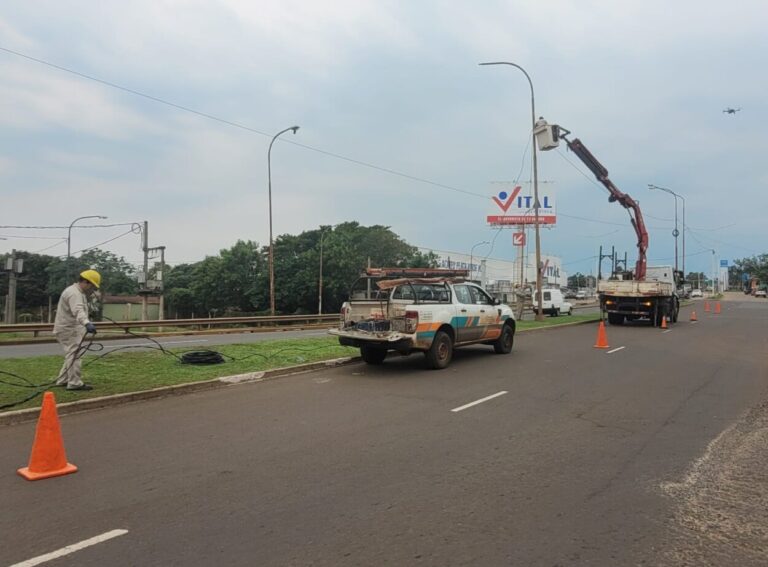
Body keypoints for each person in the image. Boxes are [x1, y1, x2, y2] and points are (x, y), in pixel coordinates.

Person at [53, 269, 101, 391]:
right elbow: (78, 311)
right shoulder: (74, 293)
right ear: (86, 282)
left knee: (71, 354)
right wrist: (87, 323)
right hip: (68, 329)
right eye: (92, 286)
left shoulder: (77, 292)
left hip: (69, 328)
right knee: (74, 355)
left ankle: (63, 380)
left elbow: (80, 310)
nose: (92, 289)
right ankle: (74, 383)